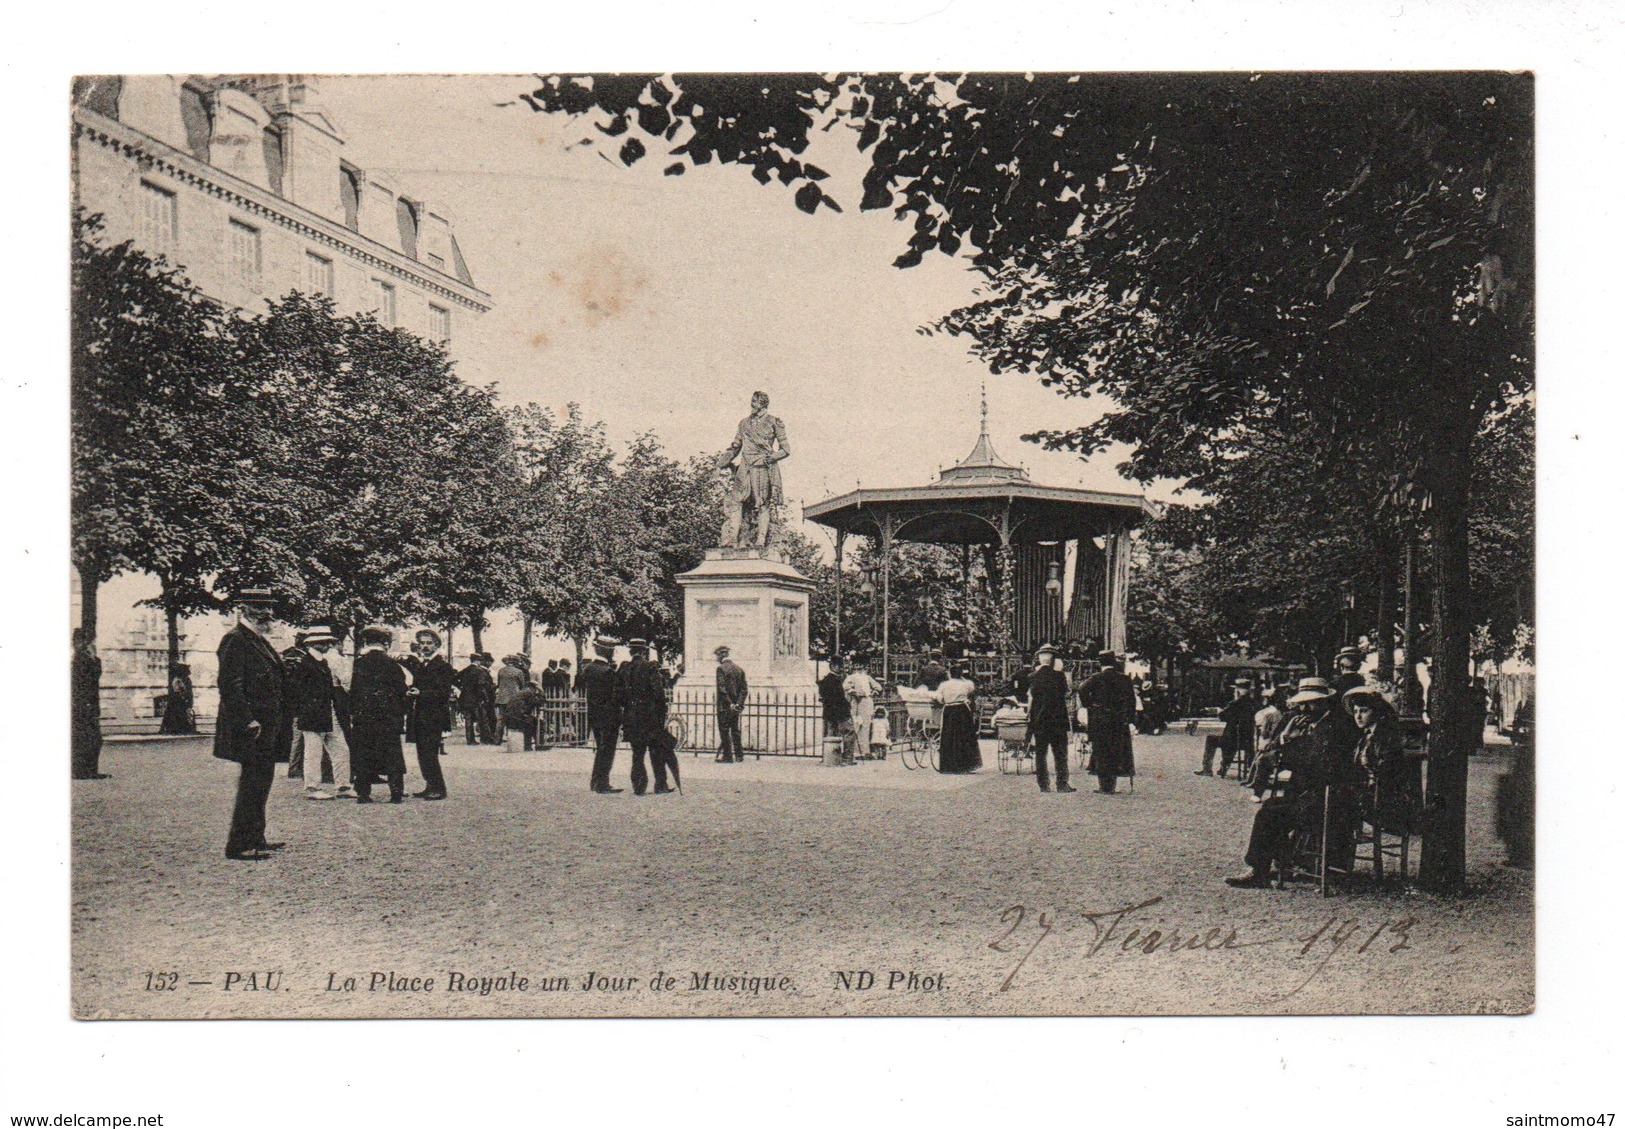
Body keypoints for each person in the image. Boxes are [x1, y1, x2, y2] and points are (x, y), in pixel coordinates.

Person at [1225, 677, 1363, 887]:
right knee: (1271, 807)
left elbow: (1321, 767)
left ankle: (1263, 870)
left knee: (1270, 813)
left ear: (1326, 701)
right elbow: (1273, 758)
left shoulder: (1338, 728)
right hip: (1307, 794)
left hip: (1331, 799)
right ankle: (1280, 864)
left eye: (1312, 702)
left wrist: (1295, 747)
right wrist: (1286, 738)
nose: (1305, 708)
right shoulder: (1298, 723)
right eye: (1302, 703)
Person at [214, 589, 289, 859]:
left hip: (267, 725)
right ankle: (240, 844)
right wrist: (247, 719)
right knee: (252, 783)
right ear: (244, 610)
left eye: (269, 607)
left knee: (260, 781)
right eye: (261, 608)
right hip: (253, 727)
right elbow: (229, 685)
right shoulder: (235, 640)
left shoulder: (257, 639)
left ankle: (256, 836)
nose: (268, 613)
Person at [716, 390, 791, 549]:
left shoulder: (774, 422)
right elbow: (735, 447)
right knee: (736, 501)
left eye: (755, 402)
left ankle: (760, 541)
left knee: (762, 503)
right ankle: (731, 540)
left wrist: (772, 457)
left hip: (762, 467)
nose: (752, 405)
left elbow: (786, 449)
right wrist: (720, 464)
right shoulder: (743, 423)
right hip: (745, 467)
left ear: (763, 404)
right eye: (752, 401)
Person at [289, 626, 353, 801]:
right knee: (313, 752)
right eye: (325, 642)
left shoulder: (321, 662)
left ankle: (343, 785)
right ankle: (312, 787)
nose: (328, 644)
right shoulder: (305, 664)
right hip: (313, 715)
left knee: (341, 750)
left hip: (327, 713)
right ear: (315, 643)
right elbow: (297, 691)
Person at [349, 626, 410, 804]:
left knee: (364, 752)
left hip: (365, 716)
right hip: (388, 716)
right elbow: (401, 689)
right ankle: (396, 791)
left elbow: (353, 690)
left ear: (366, 642)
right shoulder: (392, 664)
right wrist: (400, 713)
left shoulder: (359, 663)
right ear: (384, 644)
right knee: (392, 753)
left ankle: (363, 793)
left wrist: (354, 712)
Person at [403, 629, 456, 800]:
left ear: (437, 645)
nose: (425, 646)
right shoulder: (422, 664)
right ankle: (430, 785)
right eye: (422, 643)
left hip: (434, 715)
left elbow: (443, 692)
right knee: (422, 752)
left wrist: (420, 693)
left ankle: (438, 788)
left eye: (429, 643)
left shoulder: (443, 666)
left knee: (430, 752)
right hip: (421, 714)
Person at [1077, 650, 1135, 794]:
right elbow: (1131, 701)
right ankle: (1112, 786)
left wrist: (1089, 705)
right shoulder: (1124, 679)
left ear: (1100, 663)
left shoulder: (1096, 678)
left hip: (1100, 719)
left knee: (1102, 751)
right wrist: (1131, 718)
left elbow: (1081, 689)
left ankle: (1104, 786)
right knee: (1116, 750)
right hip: (1119, 719)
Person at [621, 639, 673, 795]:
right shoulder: (650, 667)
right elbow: (658, 693)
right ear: (644, 651)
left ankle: (638, 786)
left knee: (637, 754)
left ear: (631, 651)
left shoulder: (625, 668)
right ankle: (660, 785)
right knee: (656, 752)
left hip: (631, 716)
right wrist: (662, 714)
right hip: (650, 716)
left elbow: (619, 695)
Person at [580, 636, 624, 793]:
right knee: (607, 751)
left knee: (600, 748)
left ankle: (595, 781)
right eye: (612, 650)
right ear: (608, 651)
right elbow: (615, 698)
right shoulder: (608, 673)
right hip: (608, 717)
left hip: (594, 715)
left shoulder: (589, 669)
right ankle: (602, 783)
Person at [1027, 644, 1073, 792]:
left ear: (1039, 660)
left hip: (1039, 721)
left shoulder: (1032, 677)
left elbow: (1031, 698)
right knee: (1060, 754)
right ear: (1054, 660)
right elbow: (1066, 693)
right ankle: (1062, 784)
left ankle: (1043, 785)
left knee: (1041, 754)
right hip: (1057, 720)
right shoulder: (1059, 676)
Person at [1201, 677, 1258, 779]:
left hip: (1233, 740)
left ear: (1238, 691)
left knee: (1211, 739)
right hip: (1247, 741)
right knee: (1230, 738)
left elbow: (1223, 716)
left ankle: (1207, 769)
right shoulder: (1253, 703)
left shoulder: (1234, 704)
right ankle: (1224, 767)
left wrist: (1219, 711)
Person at [932, 662, 983, 774]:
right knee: (964, 736)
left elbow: (939, 699)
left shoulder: (944, 685)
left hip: (949, 711)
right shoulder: (967, 684)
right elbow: (972, 692)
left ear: (950, 673)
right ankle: (965, 765)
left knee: (949, 736)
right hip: (962, 710)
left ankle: (949, 766)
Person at [714, 645, 748, 763]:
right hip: (735, 707)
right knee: (735, 730)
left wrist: (729, 703)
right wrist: (738, 704)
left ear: (722, 655)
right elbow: (744, 689)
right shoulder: (739, 669)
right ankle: (739, 755)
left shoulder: (721, 669)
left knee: (724, 731)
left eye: (717, 655)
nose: (716, 658)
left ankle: (727, 756)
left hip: (724, 706)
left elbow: (722, 689)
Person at [844, 658, 882, 761]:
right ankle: (855, 752)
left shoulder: (867, 677)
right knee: (856, 725)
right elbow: (846, 687)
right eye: (856, 665)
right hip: (856, 702)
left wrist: (874, 692)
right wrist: (853, 692)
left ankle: (866, 751)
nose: (858, 668)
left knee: (866, 726)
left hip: (867, 701)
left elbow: (878, 687)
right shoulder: (851, 677)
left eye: (860, 666)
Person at [818, 657, 854, 765]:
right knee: (849, 731)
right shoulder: (836, 680)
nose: (842, 668)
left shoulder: (825, 680)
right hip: (840, 711)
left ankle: (829, 757)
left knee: (830, 734)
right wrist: (847, 705)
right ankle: (847, 758)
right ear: (834, 666)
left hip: (829, 711)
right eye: (840, 666)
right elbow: (839, 698)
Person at [457, 652, 495, 745]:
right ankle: (486, 738)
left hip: (464, 698)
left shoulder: (465, 670)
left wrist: (461, 687)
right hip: (475, 699)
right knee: (482, 719)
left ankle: (470, 740)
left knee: (468, 720)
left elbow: (454, 679)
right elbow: (481, 686)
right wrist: (485, 698)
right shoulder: (479, 671)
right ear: (478, 661)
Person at [494, 654, 527, 744]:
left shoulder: (501, 671)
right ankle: (511, 739)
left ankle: (497, 740)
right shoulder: (518, 672)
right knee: (513, 718)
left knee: (500, 719)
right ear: (515, 662)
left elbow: (499, 683)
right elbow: (522, 686)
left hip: (501, 699)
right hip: (513, 699)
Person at [160, 663, 196, 734]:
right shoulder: (178, 680)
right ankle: (177, 729)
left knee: (184, 714)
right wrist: (184, 698)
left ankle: (185, 728)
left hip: (184, 699)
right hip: (178, 700)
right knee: (178, 714)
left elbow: (188, 690)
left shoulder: (186, 679)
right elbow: (178, 691)